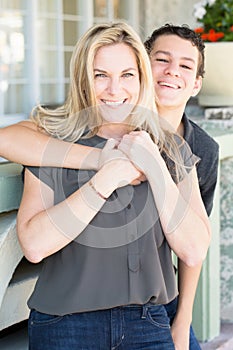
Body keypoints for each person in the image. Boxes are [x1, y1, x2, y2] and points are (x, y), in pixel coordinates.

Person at [15, 22, 211, 349]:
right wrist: (104, 179)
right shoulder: (55, 145)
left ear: (142, 78)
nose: (114, 89)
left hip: (148, 324)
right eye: (100, 75)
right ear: (83, 79)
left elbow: (193, 249)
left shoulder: (170, 147)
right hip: (65, 326)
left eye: (127, 75)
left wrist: (154, 167)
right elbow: (34, 246)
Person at [144, 24, 219, 350]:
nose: (173, 71)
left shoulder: (203, 149)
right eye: (162, 59)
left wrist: (183, 319)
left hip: (163, 296)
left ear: (196, 84)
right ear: (143, 65)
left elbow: (194, 250)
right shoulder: (111, 126)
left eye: (186, 65)